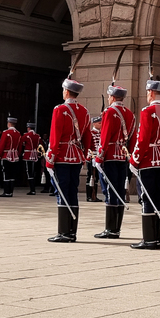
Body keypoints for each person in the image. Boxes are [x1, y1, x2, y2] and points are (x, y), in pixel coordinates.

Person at [129, 79, 160, 250]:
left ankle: (149, 239)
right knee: (158, 198)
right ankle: (157, 238)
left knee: (147, 198)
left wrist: (135, 160)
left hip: (148, 159)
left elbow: (143, 139)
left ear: (151, 92)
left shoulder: (147, 111)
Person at [45, 78, 92, 242]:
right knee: (72, 192)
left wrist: (50, 158)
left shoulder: (60, 109)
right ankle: (72, 231)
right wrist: (85, 154)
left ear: (66, 91)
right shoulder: (84, 111)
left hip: (63, 155)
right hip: (77, 156)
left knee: (62, 192)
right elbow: (87, 135)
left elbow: (55, 136)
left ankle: (64, 232)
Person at [94, 84, 136, 239]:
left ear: (111, 97)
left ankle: (111, 229)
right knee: (119, 191)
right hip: (123, 157)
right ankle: (116, 228)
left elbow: (104, 137)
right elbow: (132, 138)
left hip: (110, 156)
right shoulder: (130, 114)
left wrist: (99, 157)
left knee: (110, 191)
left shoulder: (109, 112)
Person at [0, 116, 21, 197]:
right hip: (15, 156)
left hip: (6, 156)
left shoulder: (6, 133)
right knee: (12, 175)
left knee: (6, 174)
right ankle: (10, 192)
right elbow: (20, 147)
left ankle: (6, 192)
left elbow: (1, 146)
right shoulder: (18, 133)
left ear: (9, 124)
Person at [20, 121, 42, 195]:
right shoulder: (38, 136)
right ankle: (33, 188)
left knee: (29, 172)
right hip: (35, 155)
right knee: (34, 171)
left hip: (28, 154)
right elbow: (41, 145)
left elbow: (21, 143)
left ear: (28, 128)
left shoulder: (26, 135)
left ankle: (32, 189)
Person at [85, 117, 102, 203]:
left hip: (98, 157)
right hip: (92, 157)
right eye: (99, 123)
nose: (101, 124)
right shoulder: (91, 133)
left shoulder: (101, 133)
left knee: (96, 178)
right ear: (94, 123)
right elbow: (87, 146)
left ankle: (94, 195)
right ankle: (89, 195)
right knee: (91, 176)